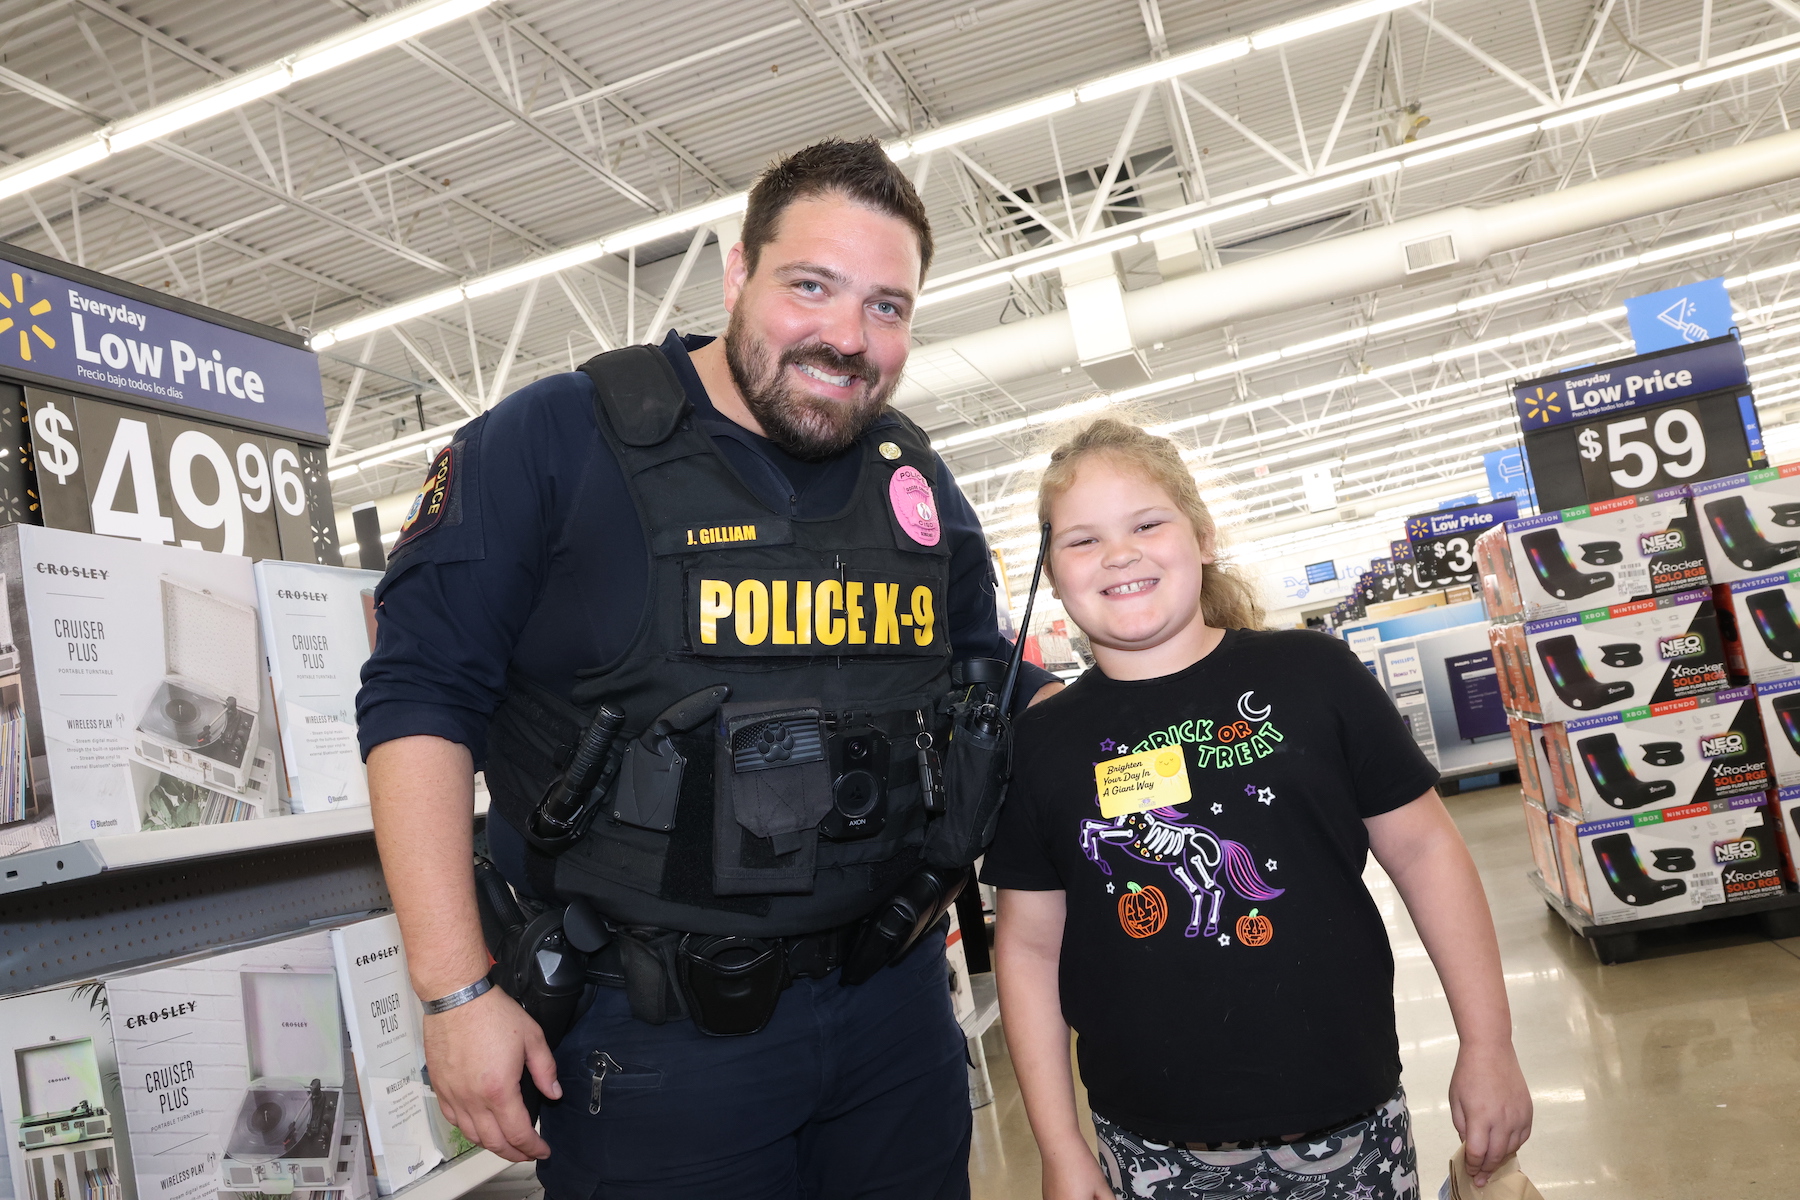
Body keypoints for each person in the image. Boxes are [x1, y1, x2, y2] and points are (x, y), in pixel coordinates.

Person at [358, 137, 1060, 1199]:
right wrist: (454, 994)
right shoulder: (558, 441)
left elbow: (989, 672)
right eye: (811, 287)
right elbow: (417, 697)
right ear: (737, 275)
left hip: (893, 1012)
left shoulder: (906, 471)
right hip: (652, 1040)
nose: (847, 337)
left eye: (888, 306)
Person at [981, 419, 1532, 1200]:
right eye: (1081, 540)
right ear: (1050, 572)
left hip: (1348, 1126)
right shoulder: (1042, 741)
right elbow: (1029, 950)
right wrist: (1060, 1147)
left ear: (1202, 537)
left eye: (1147, 523)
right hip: (1146, 1151)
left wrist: (1488, 1043)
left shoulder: (1313, 675)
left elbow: (1426, 854)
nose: (1119, 554)